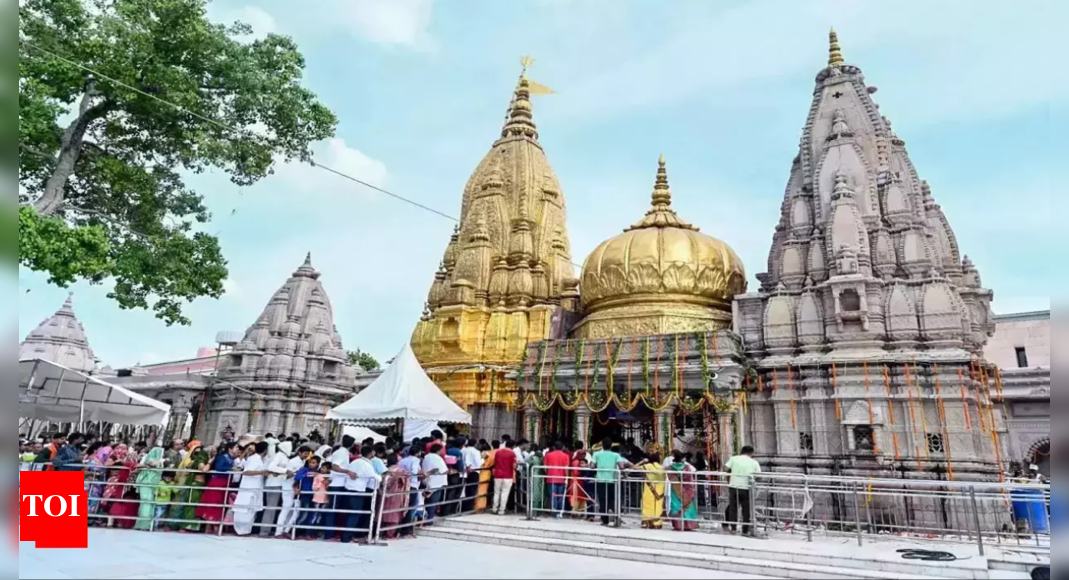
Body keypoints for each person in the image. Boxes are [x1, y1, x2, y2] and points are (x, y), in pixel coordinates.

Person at [197, 442, 239, 533]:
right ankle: (213, 527)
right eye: (236, 447)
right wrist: (230, 469)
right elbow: (218, 467)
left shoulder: (231, 459)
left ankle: (212, 527)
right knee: (213, 504)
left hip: (224, 483)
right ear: (230, 449)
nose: (238, 450)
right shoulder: (223, 457)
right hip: (217, 483)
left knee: (219, 504)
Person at [323, 435, 357, 542]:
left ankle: (333, 532)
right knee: (332, 509)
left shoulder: (342, 453)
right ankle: (329, 534)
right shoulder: (341, 453)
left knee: (336, 509)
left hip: (340, 484)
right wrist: (347, 472)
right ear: (352, 445)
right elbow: (334, 466)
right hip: (336, 485)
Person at [232, 441, 270, 536]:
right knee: (245, 511)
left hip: (254, 489)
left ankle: (246, 530)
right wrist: (261, 473)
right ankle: (241, 531)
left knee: (251, 511)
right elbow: (246, 472)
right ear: (265, 451)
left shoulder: (258, 459)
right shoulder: (255, 459)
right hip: (249, 489)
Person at [591, 437, 632, 526]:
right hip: (612, 480)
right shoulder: (616, 455)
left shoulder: (596, 454)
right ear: (611, 446)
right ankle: (612, 510)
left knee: (602, 499)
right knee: (612, 498)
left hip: (601, 479)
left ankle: (605, 519)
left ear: (602, 445)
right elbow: (621, 466)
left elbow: (592, 466)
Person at [170, 442, 210, 532]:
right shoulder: (198, 461)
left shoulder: (195, 461)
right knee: (189, 505)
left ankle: (188, 526)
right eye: (196, 453)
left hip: (194, 484)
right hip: (191, 483)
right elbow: (203, 469)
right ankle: (184, 526)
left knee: (192, 505)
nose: (197, 455)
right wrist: (210, 463)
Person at [347, 445, 381, 543]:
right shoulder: (367, 465)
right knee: (355, 514)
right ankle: (348, 536)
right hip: (358, 490)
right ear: (371, 453)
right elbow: (375, 477)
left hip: (348, 488)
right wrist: (380, 477)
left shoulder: (354, 462)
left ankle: (346, 534)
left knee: (349, 513)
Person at [275, 444, 311, 537]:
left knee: (291, 511)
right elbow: (288, 475)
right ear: (299, 453)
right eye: (305, 453)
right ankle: (278, 532)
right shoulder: (293, 462)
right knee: (286, 509)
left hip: (294, 488)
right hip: (288, 487)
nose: (306, 455)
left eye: (307, 454)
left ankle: (286, 530)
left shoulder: (303, 462)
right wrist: (298, 474)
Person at [724, 446, 760, 536]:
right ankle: (745, 530)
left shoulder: (733, 459)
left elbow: (725, 468)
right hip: (746, 488)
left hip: (734, 486)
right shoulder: (754, 462)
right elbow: (759, 475)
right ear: (751, 453)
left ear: (741, 451)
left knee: (733, 508)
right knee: (746, 510)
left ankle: (733, 528)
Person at [261, 440, 292, 537]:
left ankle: (268, 529)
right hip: (273, 484)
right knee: (271, 508)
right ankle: (264, 531)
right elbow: (271, 467)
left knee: (273, 509)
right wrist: (285, 471)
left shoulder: (282, 456)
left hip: (279, 483)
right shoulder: (279, 456)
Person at [133, 446, 165, 531]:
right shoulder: (150, 459)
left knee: (150, 504)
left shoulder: (159, 462)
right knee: (146, 503)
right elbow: (152, 463)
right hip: (146, 483)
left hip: (153, 484)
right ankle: (143, 525)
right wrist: (161, 460)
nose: (162, 455)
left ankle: (147, 524)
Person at [666, 451, 699, 531]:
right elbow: (690, 479)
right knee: (687, 506)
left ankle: (678, 525)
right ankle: (688, 525)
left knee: (676, 505)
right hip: (685, 489)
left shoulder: (669, 467)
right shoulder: (687, 467)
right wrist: (691, 490)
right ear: (682, 459)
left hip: (674, 490)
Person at [293, 456, 325, 538]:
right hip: (305, 494)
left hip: (314, 495)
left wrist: (317, 475)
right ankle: (296, 532)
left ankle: (308, 533)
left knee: (312, 514)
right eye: (310, 462)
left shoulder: (319, 472)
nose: (311, 464)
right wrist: (307, 474)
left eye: (313, 463)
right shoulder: (304, 469)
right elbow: (297, 477)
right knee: (304, 513)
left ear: (318, 464)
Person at [380, 454, 410, 539]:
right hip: (397, 495)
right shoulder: (401, 471)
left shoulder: (385, 470)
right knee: (394, 515)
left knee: (384, 514)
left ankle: (382, 533)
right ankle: (390, 534)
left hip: (384, 495)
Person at [638, 453, 666, 529]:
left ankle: (647, 522)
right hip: (660, 490)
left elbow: (634, 468)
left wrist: (642, 461)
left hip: (649, 489)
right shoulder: (662, 468)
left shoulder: (648, 466)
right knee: (658, 506)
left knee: (648, 505)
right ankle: (657, 523)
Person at [422, 443, 448, 522]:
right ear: (438, 450)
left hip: (426, 481)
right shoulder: (438, 458)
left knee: (426, 502)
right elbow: (444, 470)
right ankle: (429, 520)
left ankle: (424, 519)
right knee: (433, 502)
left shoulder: (426, 457)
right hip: (437, 482)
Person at [544, 441, 570, 519]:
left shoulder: (548, 455)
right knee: (560, 496)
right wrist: (567, 478)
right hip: (561, 479)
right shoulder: (566, 456)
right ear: (562, 448)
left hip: (551, 478)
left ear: (554, 447)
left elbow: (545, 468)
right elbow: (566, 469)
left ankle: (554, 513)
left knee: (553, 496)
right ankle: (560, 512)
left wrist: (548, 474)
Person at [399, 445, 424, 529]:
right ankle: (406, 529)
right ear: (418, 452)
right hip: (412, 485)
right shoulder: (416, 460)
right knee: (411, 507)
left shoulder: (402, 460)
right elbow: (414, 471)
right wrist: (420, 473)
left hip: (402, 485)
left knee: (403, 507)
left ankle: (400, 527)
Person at [492, 440, 518, 516]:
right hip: (508, 476)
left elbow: (495, 462)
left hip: (497, 475)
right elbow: (514, 466)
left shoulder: (498, 452)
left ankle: (494, 508)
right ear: (513, 446)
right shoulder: (512, 454)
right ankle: (501, 510)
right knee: (504, 493)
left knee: (496, 492)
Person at [84, 443, 109, 518]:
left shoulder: (99, 459)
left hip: (97, 483)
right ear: (95, 450)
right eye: (101, 449)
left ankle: (91, 516)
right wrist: (93, 474)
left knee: (95, 500)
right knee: (90, 500)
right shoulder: (88, 459)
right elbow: (84, 471)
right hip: (90, 483)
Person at [461, 438, 483, 513]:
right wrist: (483, 459)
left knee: (465, 489)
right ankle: (469, 506)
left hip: (464, 472)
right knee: (472, 490)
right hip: (474, 471)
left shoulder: (463, 450)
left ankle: (463, 505)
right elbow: (478, 463)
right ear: (475, 444)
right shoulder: (476, 452)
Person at [476, 442, 496, 513]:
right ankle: (482, 507)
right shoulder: (491, 454)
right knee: (483, 491)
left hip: (483, 473)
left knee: (481, 490)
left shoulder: (485, 454)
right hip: (488, 472)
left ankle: (479, 507)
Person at [525, 444, 545, 513]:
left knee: (535, 493)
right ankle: (540, 509)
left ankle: (534, 510)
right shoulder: (543, 457)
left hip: (534, 476)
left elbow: (526, 463)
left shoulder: (533, 457)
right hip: (542, 476)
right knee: (541, 492)